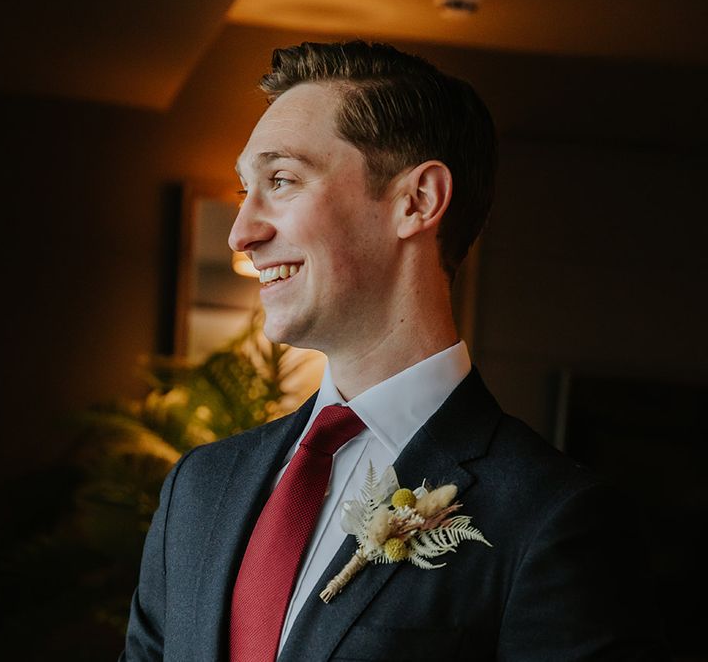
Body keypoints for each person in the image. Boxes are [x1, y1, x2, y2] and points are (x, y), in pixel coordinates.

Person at [120, 41, 667, 661]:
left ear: (419, 200)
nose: (241, 232)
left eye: (281, 180)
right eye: (247, 189)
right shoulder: (199, 487)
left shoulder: (551, 519)